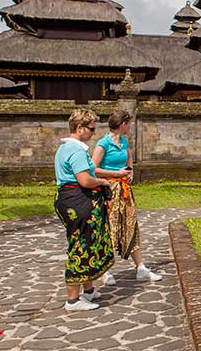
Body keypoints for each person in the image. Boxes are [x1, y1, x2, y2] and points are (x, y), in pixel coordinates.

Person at [92, 110, 162, 286]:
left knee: (131, 224)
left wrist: (129, 172)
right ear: (122, 124)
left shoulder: (124, 142)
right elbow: (93, 169)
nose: (130, 126)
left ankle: (141, 268)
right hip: (109, 190)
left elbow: (129, 160)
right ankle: (105, 270)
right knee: (110, 227)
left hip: (124, 189)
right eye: (128, 123)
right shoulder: (103, 144)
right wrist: (115, 173)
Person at [53, 108, 113, 311]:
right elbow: (85, 179)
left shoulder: (66, 148)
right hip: (77, 201)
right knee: (80, 245)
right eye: (91, 129)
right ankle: (72, 299)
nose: (93, 133)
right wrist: (103, 181)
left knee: (88, 242)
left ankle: (88, 290)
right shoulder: (76, 150)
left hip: (70, 199)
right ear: (79, 128)